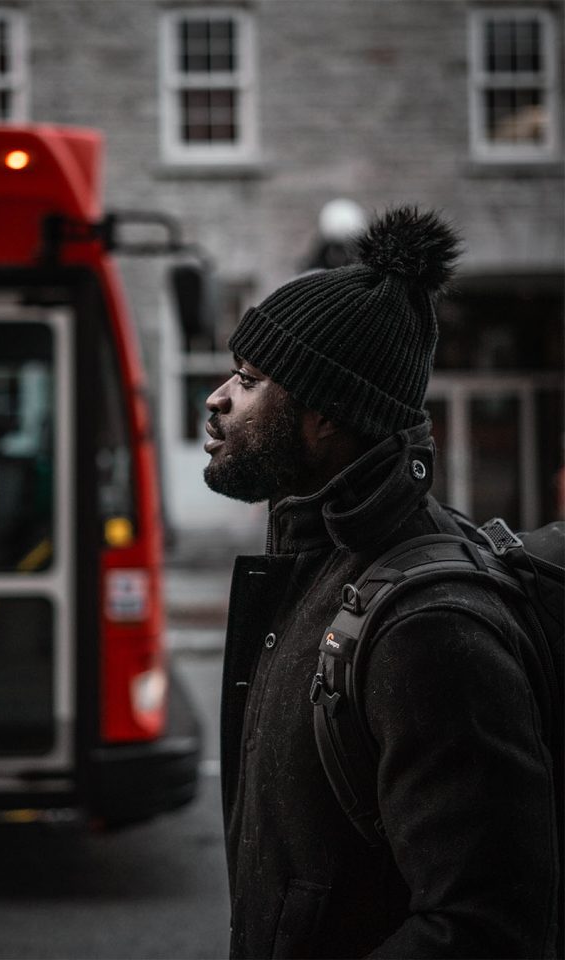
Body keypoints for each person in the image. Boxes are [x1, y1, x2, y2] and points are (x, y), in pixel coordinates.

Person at [203, 207, 559, 959]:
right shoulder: (316, 569)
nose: (218, 398)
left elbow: (485, 926)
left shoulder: (428, 627)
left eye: (251, 379)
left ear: (325, 415)